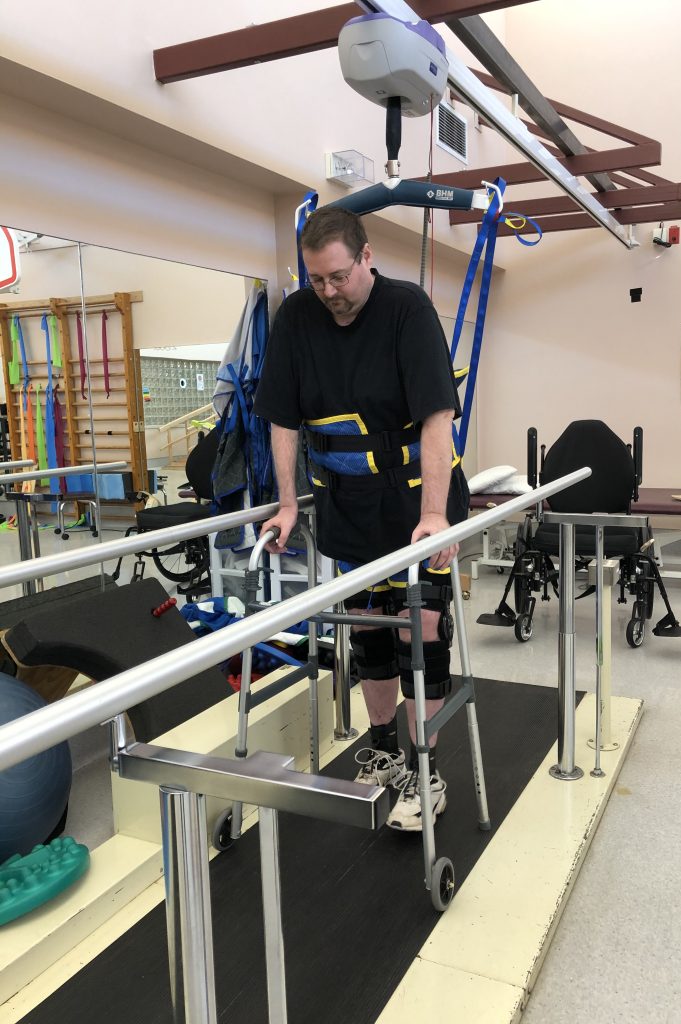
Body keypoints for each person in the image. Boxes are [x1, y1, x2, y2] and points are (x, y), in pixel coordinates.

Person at [253, 206, 469, 832]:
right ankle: (381, 749)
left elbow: (436, 420)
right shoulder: (297, 316)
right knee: (370, 627)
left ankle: (425, 767)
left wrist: (435, 515)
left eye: (339, 277)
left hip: (412, 497)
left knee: (417, 627)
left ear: (367, 256)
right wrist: (289, 502)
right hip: (346, 497)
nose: (329, 292)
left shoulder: (407, 311)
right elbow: (283, 421)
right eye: (317, 280)